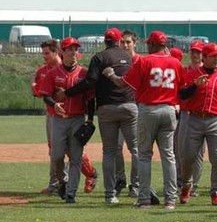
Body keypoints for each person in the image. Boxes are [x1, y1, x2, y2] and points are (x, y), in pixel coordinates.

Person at [56, 28, 140, 204]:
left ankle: (110, 195)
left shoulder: (99, 57)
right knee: (136, 150)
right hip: (129, 106)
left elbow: (89, 82)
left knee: (109, 152)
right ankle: (139, 188)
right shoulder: (130, 59)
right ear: (118, 41)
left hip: (107, 108)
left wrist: (68, 93)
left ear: (105, 41)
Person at [104, 30, 184, 210]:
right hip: (170, 110)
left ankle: (145, 198)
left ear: (153, 45)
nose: (147, 45)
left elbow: (122, 82)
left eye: (149, 43)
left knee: (145, 155)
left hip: (149, 109)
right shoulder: (176, 62)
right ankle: (171, 199)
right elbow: (183, 86)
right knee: (168, 156)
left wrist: (110, 74)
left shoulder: (145, 61)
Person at [178, 43, 217, 206]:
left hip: (216, 120)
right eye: (213, 56)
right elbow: (183, 95)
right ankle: (186, 185)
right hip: (195, 119)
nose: (216, 59)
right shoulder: (193, 74)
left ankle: (216, 193)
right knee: (188, 157)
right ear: (204, 57)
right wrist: (195, 86)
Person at [32, 39, 97, 195]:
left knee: (75, 155)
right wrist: (54, 104)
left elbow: (89, 97)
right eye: (70, 49)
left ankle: (71, 191)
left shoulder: (83, 73)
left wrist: (89, 119)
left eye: (75, 49)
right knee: (56, 155)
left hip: (77, 118)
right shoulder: (49, 72)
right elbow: (44, 94)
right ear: (63, 51)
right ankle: (62, 181)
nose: (73, 52)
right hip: (56, 118)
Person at [176, 40, 205, 197]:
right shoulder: (184, 71)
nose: (195, 54)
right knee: (182, 149)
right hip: (185, 113)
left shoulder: (206, 71)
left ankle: (194, 184)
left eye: (198, 52)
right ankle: (183, 182)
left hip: (201, 115)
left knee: (199, 152)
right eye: (193, 51)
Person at [114, 30, 141, 198]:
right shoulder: (115, 61)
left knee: (136, 149)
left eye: (128, 42)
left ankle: (136, 184)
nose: (125, 45)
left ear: (134, 44)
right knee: (116, 147)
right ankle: (120, 179)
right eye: (122, 42)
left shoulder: (140, 61)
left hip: (137, 109)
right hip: (118, 108)